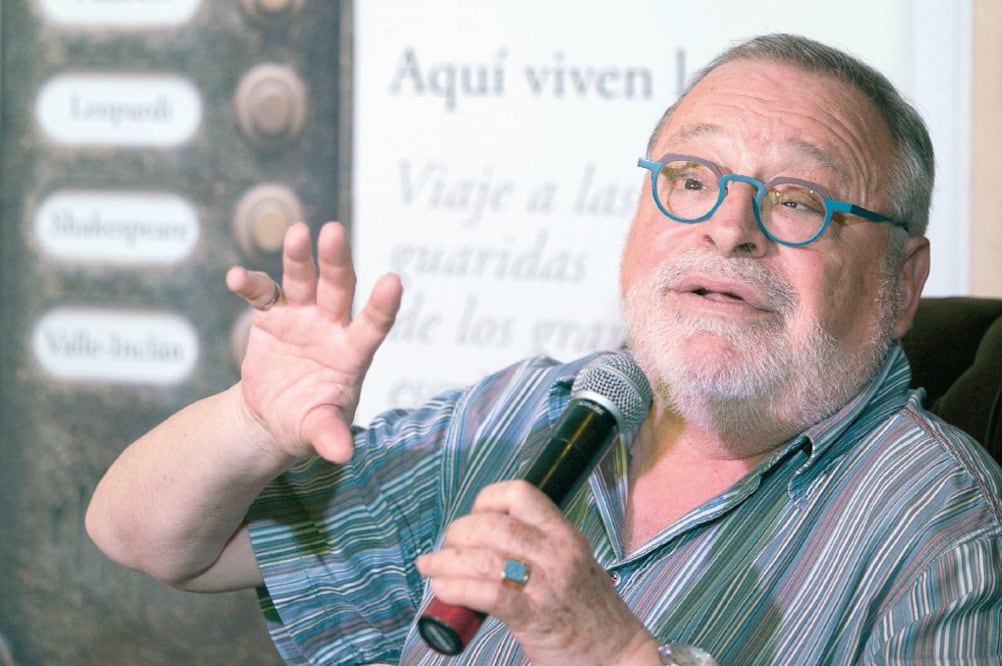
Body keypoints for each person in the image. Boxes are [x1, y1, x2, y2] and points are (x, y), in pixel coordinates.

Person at [86, 33, 1002, 665]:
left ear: (901, 282)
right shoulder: (531, 413)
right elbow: (154, 543)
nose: (729, 230)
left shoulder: (947, 526)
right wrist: (253, 425)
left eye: (798, 199)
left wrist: (617, 652)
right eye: (691, 178)